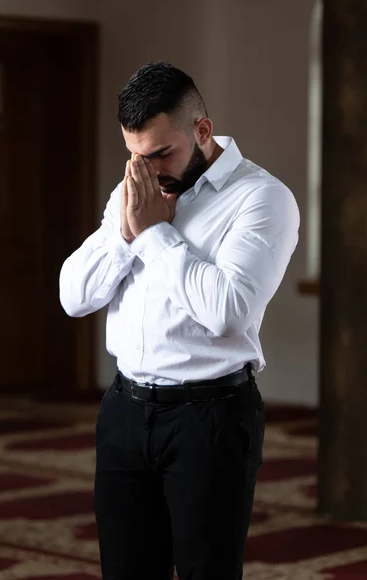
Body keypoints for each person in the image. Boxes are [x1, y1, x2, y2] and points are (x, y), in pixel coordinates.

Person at [59, 61, 300, 580]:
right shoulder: (135, 190)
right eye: (135, 156)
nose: (147, 170)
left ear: (202, 130)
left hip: (209, 419)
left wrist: (152, 236)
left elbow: (227, 312)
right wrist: (125, 235)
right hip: (124, 412)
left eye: (161, 153)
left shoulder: (262, 199)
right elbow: (73, 296)